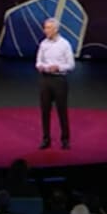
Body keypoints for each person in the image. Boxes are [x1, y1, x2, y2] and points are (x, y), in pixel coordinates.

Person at [36, 16, 74, 149]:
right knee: (45, 111)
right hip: (45, 79)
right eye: (45, 28)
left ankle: (65, 139)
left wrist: (58, 67)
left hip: (59, 80)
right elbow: (38, 61)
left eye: (48, 28)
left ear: (56, 29)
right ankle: (46, 139)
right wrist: (41, 66)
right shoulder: (43, 44)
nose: (45, 30)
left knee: (61, 111)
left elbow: (71, 65)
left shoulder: (65, 44)